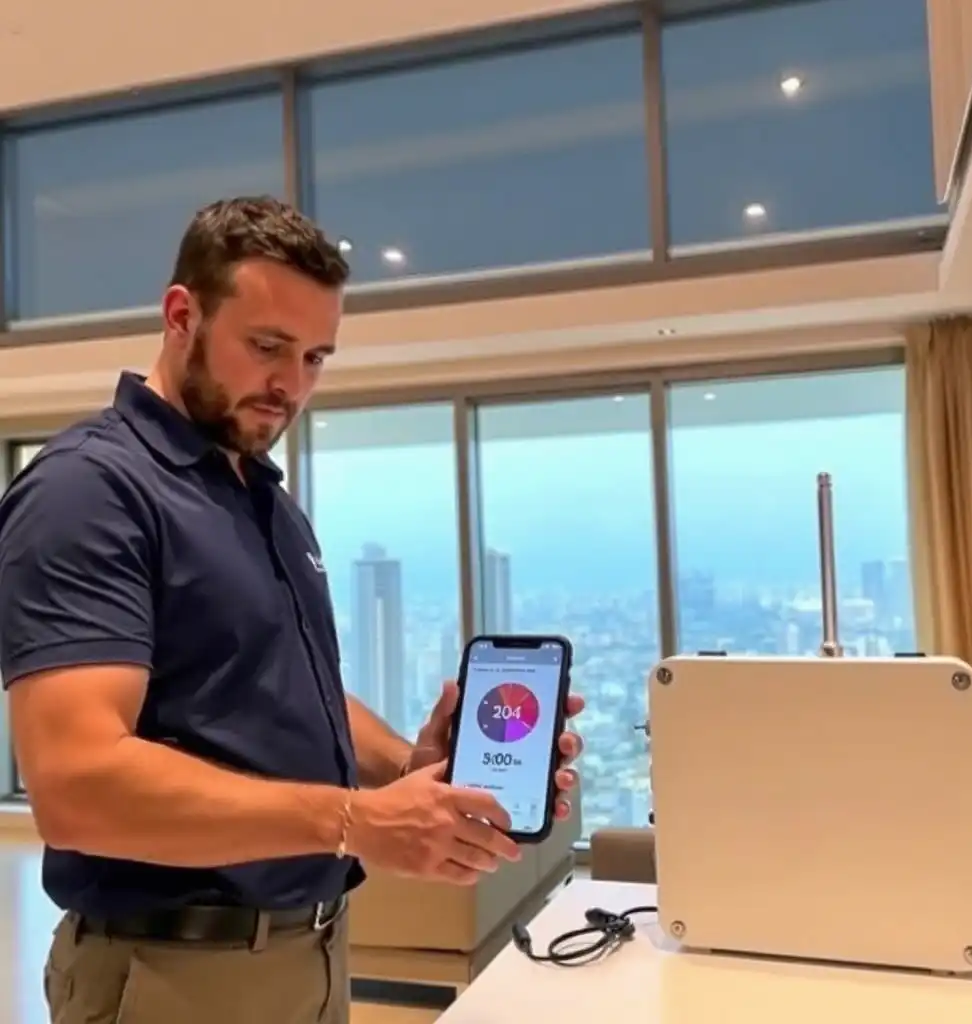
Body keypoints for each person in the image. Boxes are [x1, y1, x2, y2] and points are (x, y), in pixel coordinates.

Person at [0, 196, 584, 1024]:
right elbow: (76, 782)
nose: (292, 385)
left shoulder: (259, 494)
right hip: (175, 972)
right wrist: (354, 822)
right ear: (181, 316)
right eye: (268, 347)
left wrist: (404, 767)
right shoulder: (88, 490)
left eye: (315, 356)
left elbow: (273, 689)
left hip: (309, 954)